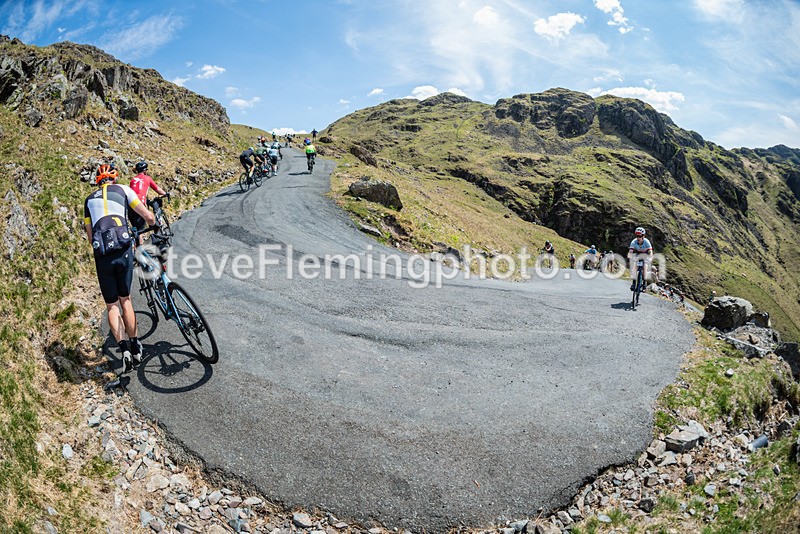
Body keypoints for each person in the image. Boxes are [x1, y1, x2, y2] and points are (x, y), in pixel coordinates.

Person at [84, 164, 155, 373]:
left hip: (103, 256)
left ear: (98, 181)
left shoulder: (88, 200)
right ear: (113, 179)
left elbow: (90, 237)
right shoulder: (123, 189)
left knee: (112, 305)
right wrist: (154, 224)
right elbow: (147, 216)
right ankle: (135, 345)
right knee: (126, 300)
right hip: (123, 250)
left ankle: (123, 350)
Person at [128, 161, 168, 244]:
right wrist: (166, 194)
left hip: (130, 205)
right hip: (139, 205)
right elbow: (158, 190)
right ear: (145, 170)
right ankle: (146, 247)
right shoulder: (147, 178)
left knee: (136, 230)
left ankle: (137, 249)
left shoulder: (133, 180)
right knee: (141, 230)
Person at [628, 227, 653, 291]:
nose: (638, 238)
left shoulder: (647, 242)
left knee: (644, 268)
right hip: (638, 254)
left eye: (640, 236)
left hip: (646, 254)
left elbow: (650, 252)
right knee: (634, 267)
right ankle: (633, 284)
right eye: (637, 236)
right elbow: (630, 251)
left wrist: (650, 258)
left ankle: (644, 285)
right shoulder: (634, 241)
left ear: (643, 236)